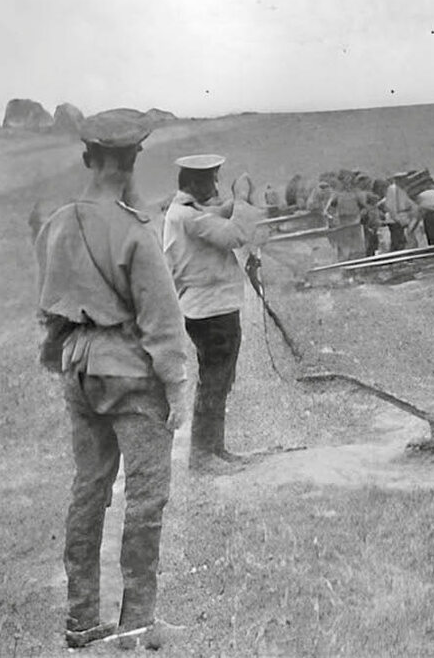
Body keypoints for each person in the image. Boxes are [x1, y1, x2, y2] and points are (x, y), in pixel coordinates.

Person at [34, 113, 188, 649]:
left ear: (87, 159)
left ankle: (80, 620)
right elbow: (163, 323)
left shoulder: (55, 223)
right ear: (130, 163)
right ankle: (137, 624)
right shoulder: (135, 230)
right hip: (129, 377)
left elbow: (49, 305)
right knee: (146, 499)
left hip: (78, 371)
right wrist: (178, 386)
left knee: (88, 490)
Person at [162, 153, 265, 473]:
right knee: (214, 381)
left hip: (213, 307)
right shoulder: (188, 217)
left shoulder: (186, 212)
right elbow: (233, 235)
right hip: (210, 311)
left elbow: (216, 215)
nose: (216, 184)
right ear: (195, 183)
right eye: (211, 179)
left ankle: (214, 449)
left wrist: (233, 205)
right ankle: (203, 456)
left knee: (219, 380)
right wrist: (242, 199)